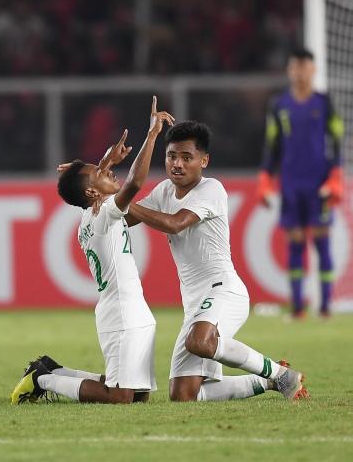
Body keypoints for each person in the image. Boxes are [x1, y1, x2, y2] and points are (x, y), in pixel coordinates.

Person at [126, 120, 309, 402]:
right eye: (171, 156)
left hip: (223, 290)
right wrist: (103, 195)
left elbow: (176, 224)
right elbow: (126, 218)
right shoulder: (163, 191)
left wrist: (119, 199)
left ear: (204, 161)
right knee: (184, 395)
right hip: (194, 304)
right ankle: (270, 382)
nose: (177, 164)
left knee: (200, 342)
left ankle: (280, 376)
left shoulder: (211, 189)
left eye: (187, 158)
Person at [11, 97, 174, 404]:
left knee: (136, 395)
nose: (110, 172)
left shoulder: (92, 213)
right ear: (91, 192)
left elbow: (96, 180)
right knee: (121, 395)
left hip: (129, 308)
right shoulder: (105, 212)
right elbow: (135, 181)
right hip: (121, 311)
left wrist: (105, 162)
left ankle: (52, 370)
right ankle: (42, 379)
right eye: (101, 173)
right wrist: (152, 134)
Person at [257, 48, 345, 318]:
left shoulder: (324, 102)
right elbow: (272, 145)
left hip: (319, 184)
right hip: (291, 184)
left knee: (321, 241)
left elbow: (338, 141)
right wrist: (265, 179)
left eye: (305, 66)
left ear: (313, 70)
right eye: (295, 66)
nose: (300, 72)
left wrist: (336, 176)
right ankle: (297, 308)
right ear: (289, 70)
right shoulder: (279, 105)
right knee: (295, 241)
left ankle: (326, 306)